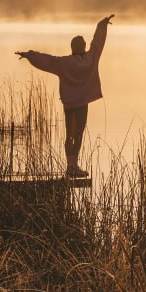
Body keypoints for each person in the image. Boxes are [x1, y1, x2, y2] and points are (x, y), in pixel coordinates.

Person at [15, 14, 113, 178]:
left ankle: (70, 165)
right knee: (79, 133)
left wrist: (29, 55)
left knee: (70, 134)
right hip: (81, 104)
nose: (85, 45)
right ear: (82, 46)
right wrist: (102, 25)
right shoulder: (91, 59)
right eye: (83, 44)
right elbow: (98, 43)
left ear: (72, 47)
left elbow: (47, 60)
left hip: (69, 104)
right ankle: (73, 166)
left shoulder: (64, 63)